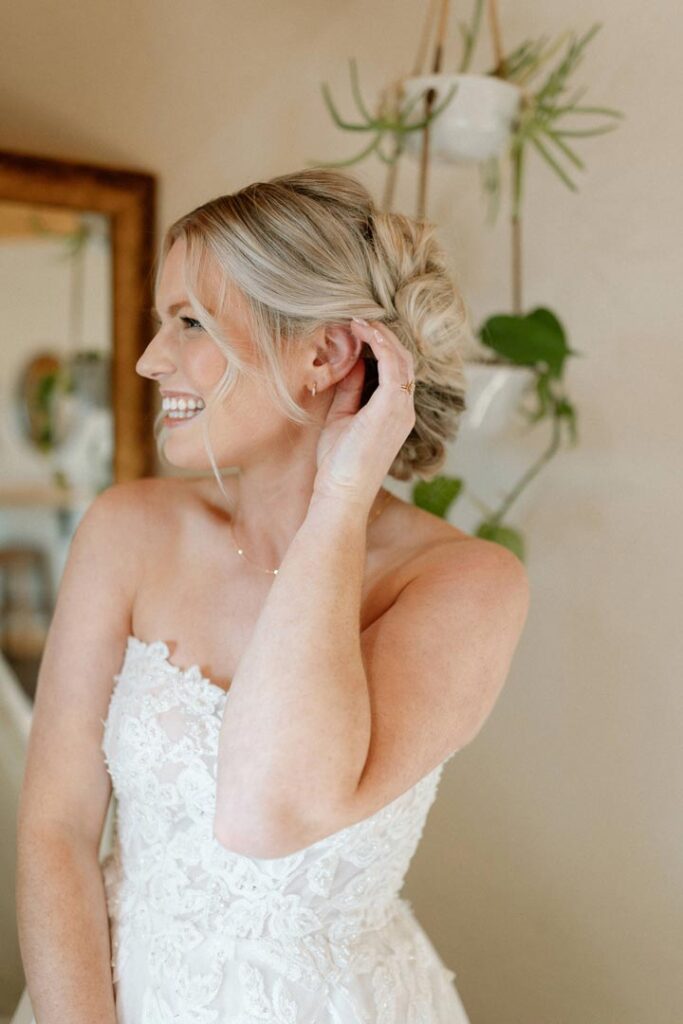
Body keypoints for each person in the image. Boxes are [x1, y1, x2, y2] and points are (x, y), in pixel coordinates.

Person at [16, 168, 530, 1023]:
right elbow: (56, 829)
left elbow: (268, 811)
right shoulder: (127, 531)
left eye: (189, 322)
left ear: (324, 355)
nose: (150, 360)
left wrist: (339, 502)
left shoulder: (464, 586)